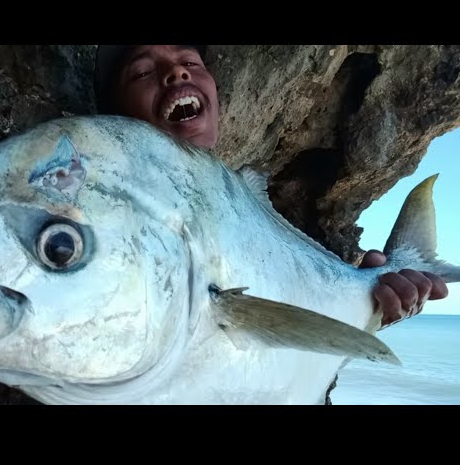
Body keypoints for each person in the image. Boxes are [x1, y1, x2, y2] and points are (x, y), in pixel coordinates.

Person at [92, 45, 449, 330]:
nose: (177, 71)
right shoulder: (105, 214)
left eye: (191, 62)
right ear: (114, 115)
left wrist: (367, 312)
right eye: (141, 72)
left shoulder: (245, 207)